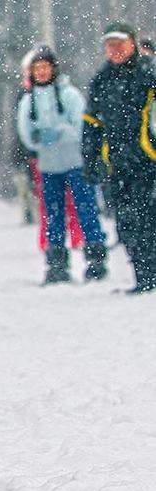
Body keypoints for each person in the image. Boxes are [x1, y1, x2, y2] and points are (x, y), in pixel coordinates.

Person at [17, 46, 107, 284]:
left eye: (45, 67)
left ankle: (96, 257)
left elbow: (80, 126)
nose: (42, 72)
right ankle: (56, 261)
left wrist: (59, 133)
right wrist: (36, 139)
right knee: (53, 214)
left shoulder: (68, 95)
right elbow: (24, 132)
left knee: (85, 208)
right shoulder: (29, 100)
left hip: (74, 161)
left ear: (53, 69)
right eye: (37, 69)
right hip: (48, 165)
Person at [83, 22, 156, 294]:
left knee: (149, 219)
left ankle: (150, 275)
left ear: (133, 43)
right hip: (117, 166)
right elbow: (91, 125)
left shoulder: (148, 72)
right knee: (126, 225)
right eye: (110, 45)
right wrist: (90, 161)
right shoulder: (101, 80)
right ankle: (144, 276)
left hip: (149, 162)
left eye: (120, 43)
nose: (115, 50)